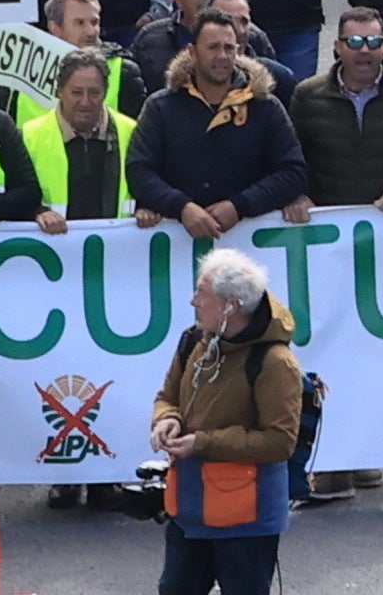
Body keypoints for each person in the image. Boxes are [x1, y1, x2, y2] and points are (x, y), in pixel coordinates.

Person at [147, 248, 303, 594]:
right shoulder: (193, 341)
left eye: (202, 293)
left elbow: (279, 442)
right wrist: (166, 420)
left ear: (231, 306)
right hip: (190, 510)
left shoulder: (276, 362)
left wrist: (203, 442)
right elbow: (166, 397)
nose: (192, 301)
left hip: (246, 520)